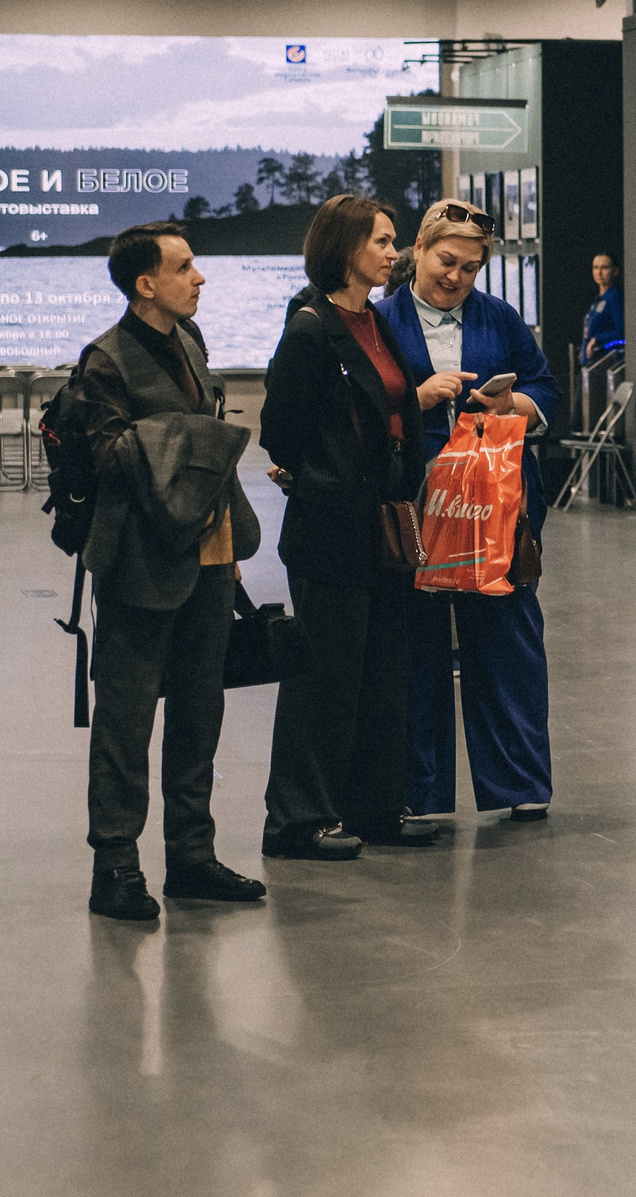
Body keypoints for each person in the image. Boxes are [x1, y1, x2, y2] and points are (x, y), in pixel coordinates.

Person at [74, 222, 266, 921]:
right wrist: (198, 440)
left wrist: (231, 553)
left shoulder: (191, 341)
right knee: (125, 721)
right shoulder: (104, 360)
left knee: (198, 713)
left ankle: (191, 855)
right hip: (138, 565)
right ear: (144, 283)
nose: (200, 276)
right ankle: (115, 867)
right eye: (185, 267)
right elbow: (109, 456)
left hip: (211, 559)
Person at [379, 201, 561, 824]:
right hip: (417, 508)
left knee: (508, 644)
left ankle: (520, 785)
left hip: (496, 508)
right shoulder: (380, 322)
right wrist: (416, 398)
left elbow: (545, 388)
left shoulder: (501, 319)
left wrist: (519, 406)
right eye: (446, 261)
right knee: (418, 650)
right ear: (420, 252)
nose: (455, 277)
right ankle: (417, 793)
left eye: (471, 268)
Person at [260, 195, 427, 861]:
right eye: (383, 241)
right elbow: (282, 431)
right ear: (347, 247)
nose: (394, 252)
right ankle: (299, 819)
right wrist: (319, 477)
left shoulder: (374, 323)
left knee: (383, 668)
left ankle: (372, 806)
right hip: (331, 526)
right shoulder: (310, 329)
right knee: (324, 675)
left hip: (382, 520)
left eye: (394, 242)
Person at [581, 251, 625, 431]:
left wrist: (598, 340)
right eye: (596, 268)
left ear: (615, 271)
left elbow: (622, 331)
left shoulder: (614, 297)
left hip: (601, 366)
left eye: (605, 268)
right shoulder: (598, 299)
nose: (599, 272)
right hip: (587, 365)